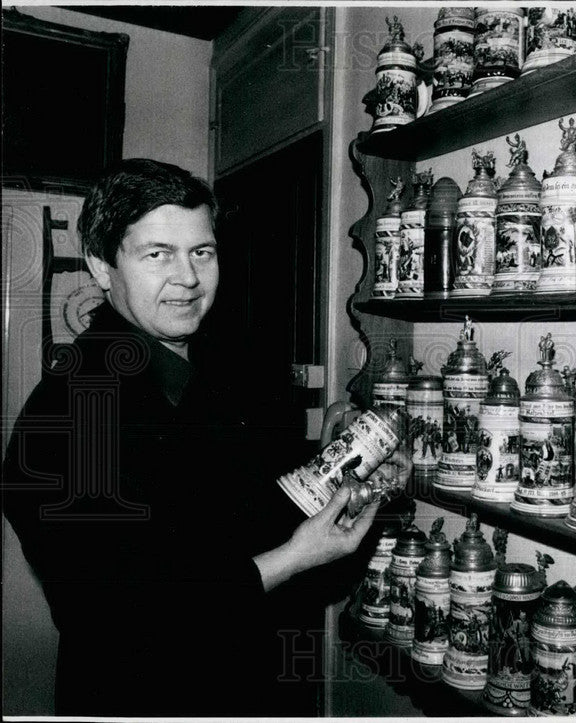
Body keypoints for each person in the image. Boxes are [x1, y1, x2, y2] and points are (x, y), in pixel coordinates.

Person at [1, 159, 404, 716]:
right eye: (157, 254)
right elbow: (113, 613)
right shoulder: (66, 416)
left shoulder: (234, 380)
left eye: (202, 252)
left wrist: (339, 472)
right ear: (100, 265)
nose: (188, 278)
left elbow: (277, 532)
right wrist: (290, 558)